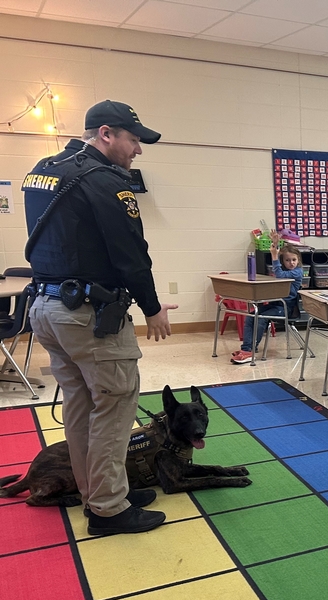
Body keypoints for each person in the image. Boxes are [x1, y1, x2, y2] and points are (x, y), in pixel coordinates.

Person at [23, 100, 175, 536]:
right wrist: (152, 308)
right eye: (134, 140)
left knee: (81, 407)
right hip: (89, 317)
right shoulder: (106, 180)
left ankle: (100, 493)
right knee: (113, 407)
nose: (138, 151)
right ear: (106, 134)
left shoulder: (44, 168)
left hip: (47, 309)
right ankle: (108, 510)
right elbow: (130, 254)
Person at [232, 232, 303, 364]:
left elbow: (280, 275)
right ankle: (247, 348)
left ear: (298, 260)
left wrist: (274, 256)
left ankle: (250, 350)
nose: (291, 263)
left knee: (261, 318)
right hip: (275, 305)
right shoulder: (284, 269)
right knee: (250, 316)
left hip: (285, 308)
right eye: (287, 260)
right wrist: (275, 245)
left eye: (294, 260)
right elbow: (279, 271)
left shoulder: (297, 272)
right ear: (283, 261)